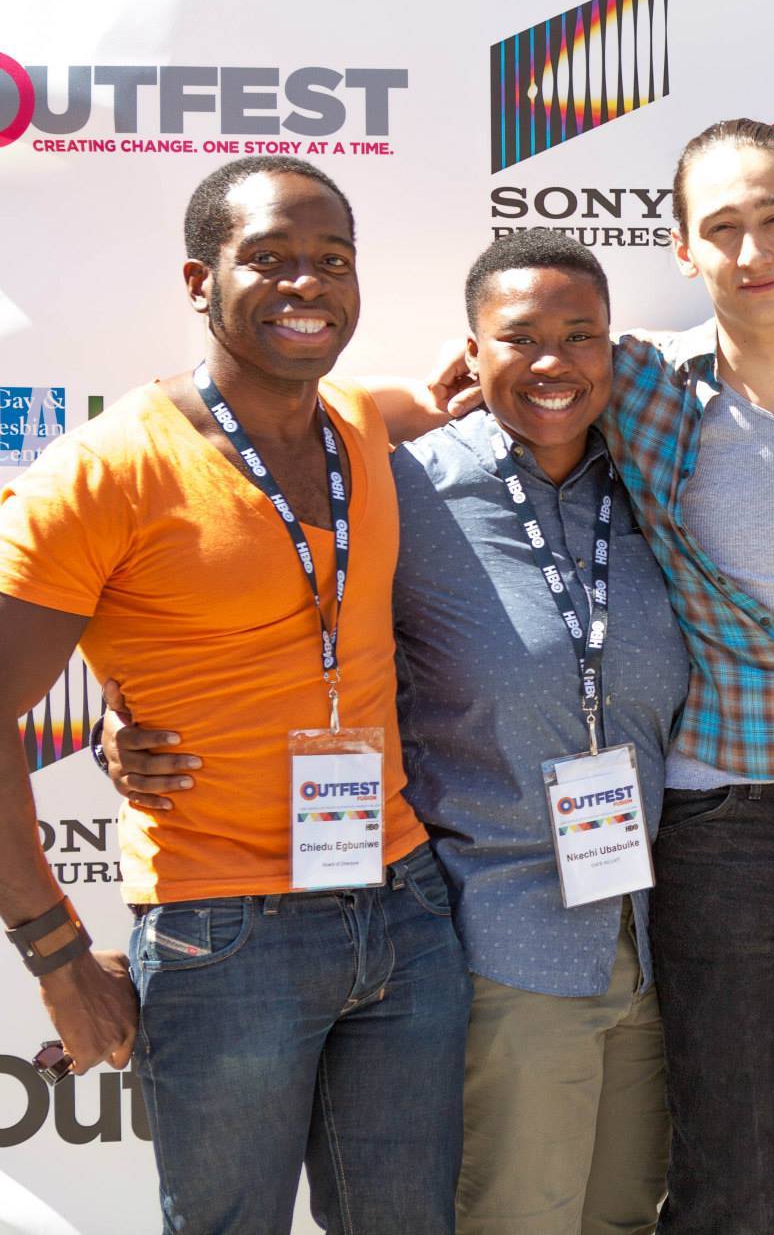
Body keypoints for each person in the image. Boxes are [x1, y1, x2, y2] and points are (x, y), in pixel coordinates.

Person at [109, 230, 689, 1233]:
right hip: (503, 936)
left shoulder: (655, 482)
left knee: (625, 1216)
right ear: (471, 352)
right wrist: (127, 700)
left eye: (581, 336)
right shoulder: (401, 485)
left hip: (650, 933)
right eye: (521, 337)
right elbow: (226, 579)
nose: (553, 361)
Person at [408, 120, 774, 1234]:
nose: (753, 252)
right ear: (684, 251)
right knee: (722, 1177)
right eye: (722, 229)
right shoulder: (640, 381)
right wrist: (423, 391)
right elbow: (514, 374)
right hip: (720, 818)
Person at [0, 157, 470, 1233]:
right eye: (267, 259)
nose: (307, 285)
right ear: (196, 280)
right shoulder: (103, 471)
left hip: (401, 906)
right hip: (226, 938)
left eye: (331, 261)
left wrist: (484, 373)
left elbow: (446, 394)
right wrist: (58, 954)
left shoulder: (358, 424)